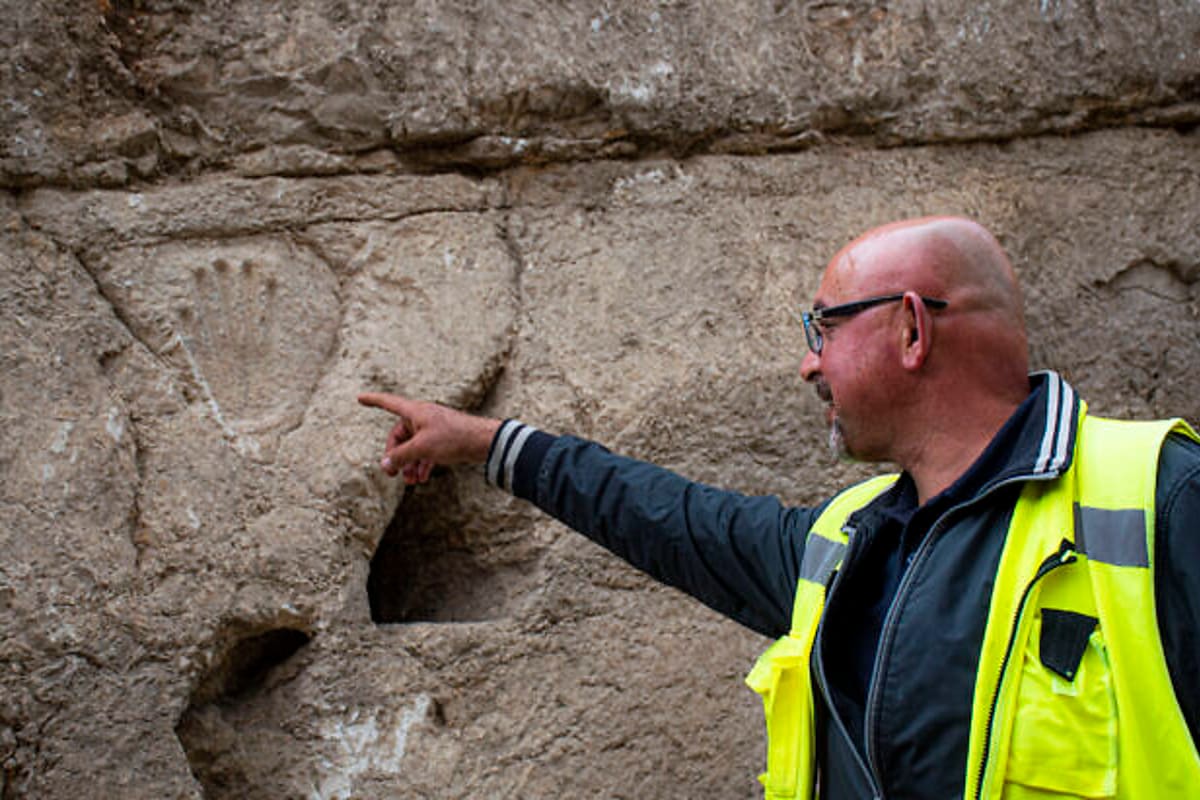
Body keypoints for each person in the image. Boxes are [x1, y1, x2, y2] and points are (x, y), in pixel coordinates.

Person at [358, 216, 1200, 799]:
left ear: (912, 330)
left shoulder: (1162, 496)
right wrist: (488, 443)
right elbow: (672, 519)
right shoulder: (850, 540)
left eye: (822, 328)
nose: (808, 364)